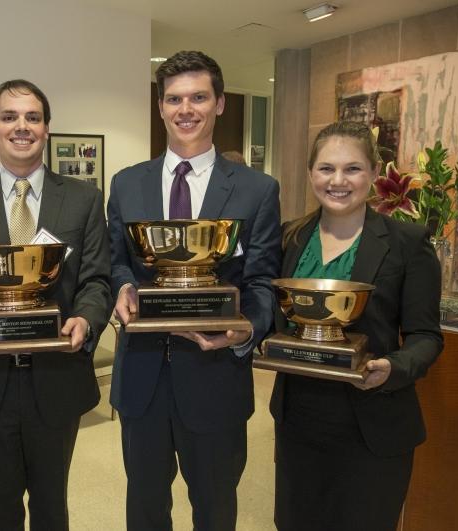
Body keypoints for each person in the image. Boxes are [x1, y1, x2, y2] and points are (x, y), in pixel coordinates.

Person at [108, 50, 282, 530]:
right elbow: (116, 261)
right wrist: (122, 287)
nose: (186, 109)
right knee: (144, 510)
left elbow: (263, 280)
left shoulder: (256, 190)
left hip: (215, 376)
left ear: (220, 103)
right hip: (141, 377)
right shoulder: (126, 184)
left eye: (198, 97)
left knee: (214, 510)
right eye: (174, 99)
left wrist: (246, 330)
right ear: (161, 106)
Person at [0, 79, 112, 531]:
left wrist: (86, 322)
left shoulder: (85, 198)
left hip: (55, 379)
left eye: (33, 117)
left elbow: (95, 280)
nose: (22, 126)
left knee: (53, 507)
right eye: (10, 117)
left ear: (47, 128)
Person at [269, 121, 443, 531]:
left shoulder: (408, 242)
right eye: (326, 168)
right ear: (311, 172)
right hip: (301, 421)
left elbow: (426, 336)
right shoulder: (289, 239)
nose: (338, 181)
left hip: (373, 423)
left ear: (374, 172)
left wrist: (393, 368)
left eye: (353, 169)